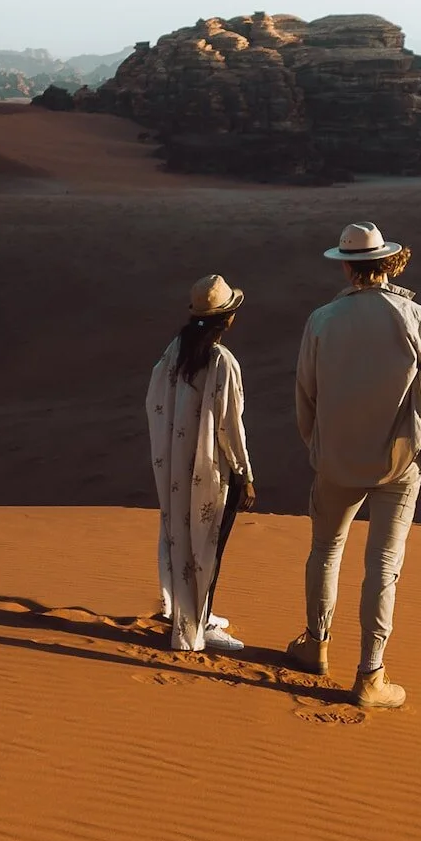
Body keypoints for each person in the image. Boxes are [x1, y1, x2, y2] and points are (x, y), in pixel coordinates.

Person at [290, 222, 421, 710]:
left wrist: (321, 448)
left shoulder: (321, 320)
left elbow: (306, 395)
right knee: (383, 566)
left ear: (346, 265)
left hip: (335, 460)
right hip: (399, 462)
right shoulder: (417, 318)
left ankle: (315, 646)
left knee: (325, 550)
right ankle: (370, 675)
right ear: (385, 263)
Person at [145, 273, 255, 654]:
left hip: (175, 467)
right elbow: (230, 423)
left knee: (182, 537)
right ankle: (199, 623)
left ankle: (189, 611)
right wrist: (245, 473)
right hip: (211, 469)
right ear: (228, 318)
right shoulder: (221, 360)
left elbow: (153, 405)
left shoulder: (174, 351)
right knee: (209, 545)